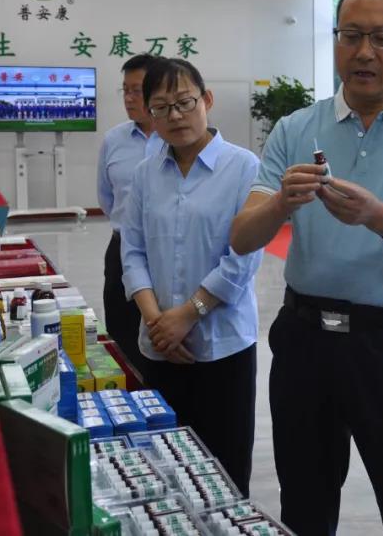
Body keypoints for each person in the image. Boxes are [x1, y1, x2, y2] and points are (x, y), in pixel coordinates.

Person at [230, 0, 383, 535]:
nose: (365, 52)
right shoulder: (296, 128)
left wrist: (379, 217)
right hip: (306, 343)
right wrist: (280, 204)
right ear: (336, 41)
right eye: (351, 35)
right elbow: (242, 237)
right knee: (305, 505)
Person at [121, 57, 262, 496]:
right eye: (161, 108)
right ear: (150, 114)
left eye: (185, 102)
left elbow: (242, 257)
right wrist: (156, 323)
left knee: (224, 473)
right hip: (160, 347)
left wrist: (188, 314)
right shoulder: (146, 173)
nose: (176, 116)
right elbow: (133, 251)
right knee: (165, 469)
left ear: (207, 100)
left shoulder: (244, 167)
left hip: (223, 346)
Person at [96, 53, 164, 373]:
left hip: (166, 250)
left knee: (164, 333)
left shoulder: (178, 139)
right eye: (125, 90)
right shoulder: (114, 140)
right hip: (122, 249)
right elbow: (107, 198)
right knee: (122, 336)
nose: (129, 98)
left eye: (137, 90)